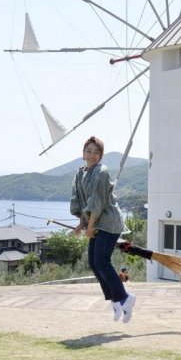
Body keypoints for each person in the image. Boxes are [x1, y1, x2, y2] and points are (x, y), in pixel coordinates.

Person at [70, 136, 135, 323]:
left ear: (101, 155)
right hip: (96, 223)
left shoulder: (101, 172)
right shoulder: (81, 173)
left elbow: (96, 203)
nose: (91, 155)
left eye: (95, 152)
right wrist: (81, 225)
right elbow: (84, 203)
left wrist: (89, 227)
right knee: (93, 262)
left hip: (109, 223)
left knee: (102, 261)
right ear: (83, 153)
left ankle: (125, 298)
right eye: (88, 151)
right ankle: (116, 300)